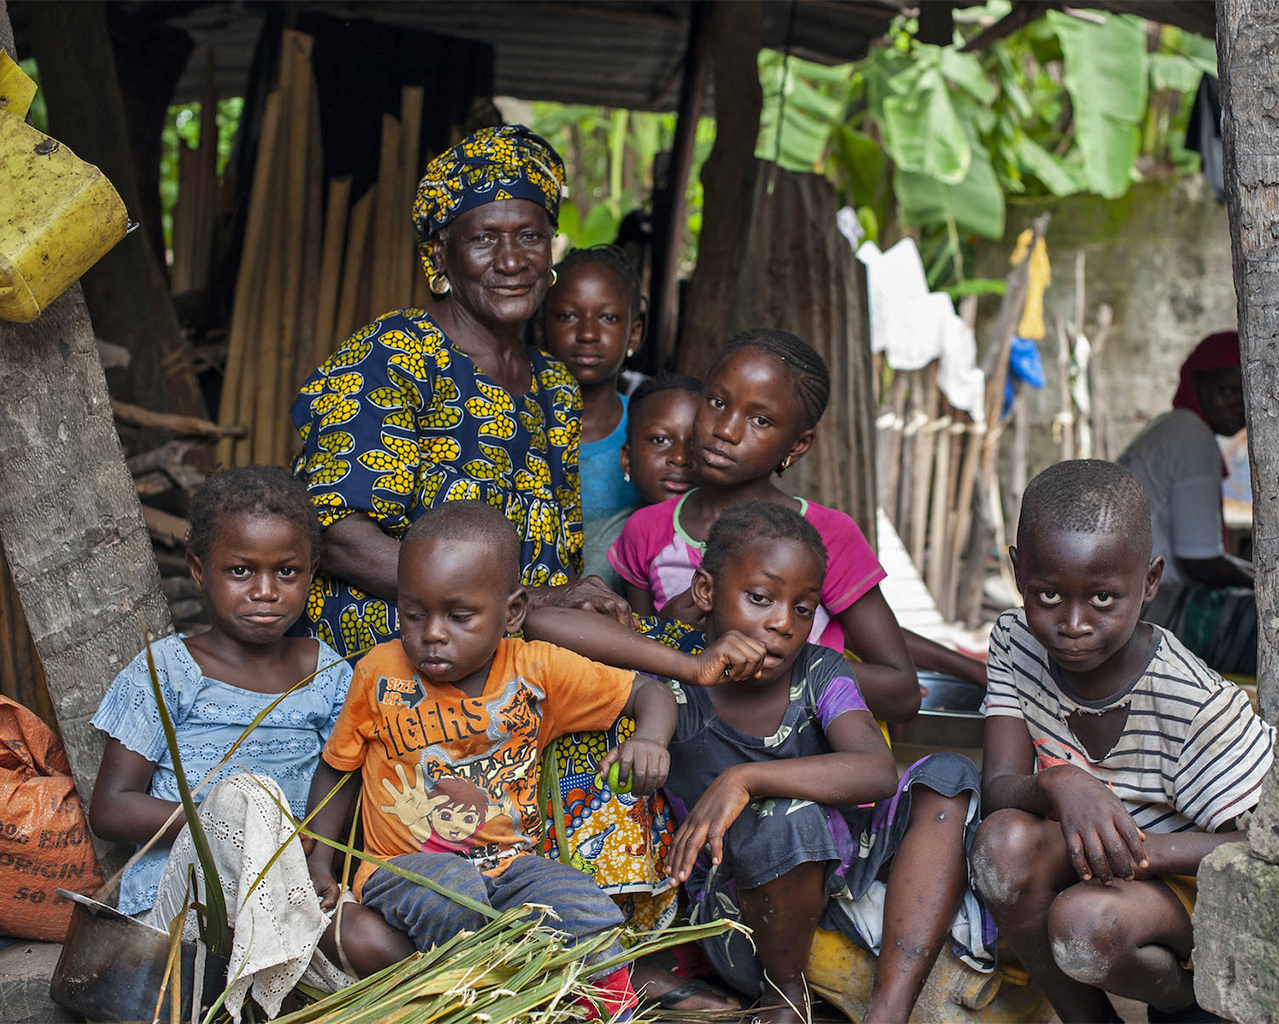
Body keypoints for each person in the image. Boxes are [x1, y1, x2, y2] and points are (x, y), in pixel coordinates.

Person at [529, 502, 985, 1024]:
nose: (782, 624)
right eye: (760, 598)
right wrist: (690, 664)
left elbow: (877, 770)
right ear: (705, 592)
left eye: (804, 608)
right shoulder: (676, 669)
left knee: (948, 774)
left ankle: (889, 1010)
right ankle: (784, 996)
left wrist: (744, 778)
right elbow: (541, 624)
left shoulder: (818, 671)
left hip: (840, 869)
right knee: (788, 818)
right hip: (739, 905)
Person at [303, 501, 678, 1021]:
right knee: (452, 892)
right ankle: (479, 1002)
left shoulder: (535, 670)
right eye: (413, 614)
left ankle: (608, 1007)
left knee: (580, 898)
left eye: (459, 616)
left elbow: (650, 694)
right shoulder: (380, 672)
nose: (432, 632)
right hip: (404, 868)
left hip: (509, 865)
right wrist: (317, 859)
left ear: (512, 612)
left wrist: (651, 741)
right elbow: (338, 768)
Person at [290, 124, 626, 662]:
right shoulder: (397, 355)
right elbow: (335, 535)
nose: (512, 261)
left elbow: (556, 554)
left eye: (530, 236)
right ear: (441, 257)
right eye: (483, 238)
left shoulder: (555, 387)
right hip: (406, 647)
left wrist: (565, 604)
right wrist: (528, 603)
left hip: (522, 638)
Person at [88, 466, 406, 1017]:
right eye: (240, 571)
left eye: (286, 572)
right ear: (198, 571)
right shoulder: (167, 670)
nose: (265, 591)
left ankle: (269, 981)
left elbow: (341, 774)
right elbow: (111, 808)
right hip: (191, 898)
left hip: (296, 885)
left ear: (311, 573)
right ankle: (259, 987)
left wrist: (321, 862)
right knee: (247, 796)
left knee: (381, 944)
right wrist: (238, 823)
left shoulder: (325, 673)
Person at [969, 460, 1275, 1024]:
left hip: (1187, 890)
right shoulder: (1015, 641)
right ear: (1018, 573)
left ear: (1150, 582)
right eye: (1048, 595)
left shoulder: (1192, 703)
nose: (1074, 623)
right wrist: (1063, 782)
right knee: (1002, 845)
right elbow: (999, 792)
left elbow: (1264, 847)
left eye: (1104, 598)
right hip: (1098, 873)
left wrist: (1141, 855)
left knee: (1085, 926)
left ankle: (1189, 1000)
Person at [608, 328, 921, 723]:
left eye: (760, 419)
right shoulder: (646, 530)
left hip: (804, 762)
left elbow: (901, 692)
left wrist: (776, 662)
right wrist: (665, 632)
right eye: (717, 402)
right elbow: (636, 670)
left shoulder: (827, 535)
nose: (726, 430)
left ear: (797, 445)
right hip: (680, 753)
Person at [1117, 330, 1256, 675]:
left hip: (1123, 599)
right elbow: (1199, 560)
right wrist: (1261, 581)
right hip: (1144, 609)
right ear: (1198, 385)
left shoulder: (1172, 427)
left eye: (1246, 392)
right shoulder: (1191, 437)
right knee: (1266, 617)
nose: (1238, 404)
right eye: (1226, 390)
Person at [539, 244, 645, 526]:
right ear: (541, 327)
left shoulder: (650, 434)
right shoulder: (518, 426)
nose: (587, 334)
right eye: (567, 316)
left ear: (633, 334)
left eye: (608, 318)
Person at [579, 373, 701, 593]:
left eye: (696, 443)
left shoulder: (738, 540)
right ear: (627, 459)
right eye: (660, 440)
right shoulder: (594, 547)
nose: (680, 458)